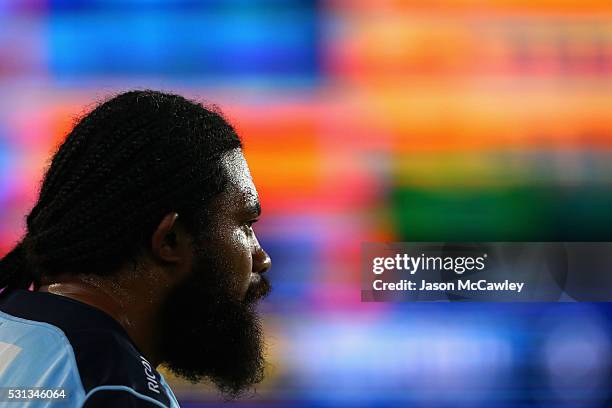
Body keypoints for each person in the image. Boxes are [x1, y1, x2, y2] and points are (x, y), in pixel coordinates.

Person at [0, 90, 272, 407]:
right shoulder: (115, 392)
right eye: (246, 225)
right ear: (169, 240)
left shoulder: (13, 326)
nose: (261, 258)